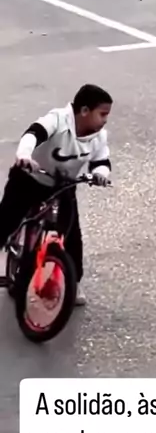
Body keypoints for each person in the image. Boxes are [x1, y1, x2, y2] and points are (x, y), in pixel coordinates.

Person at [0, 83, 113, 306]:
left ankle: (72, 282)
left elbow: (101, 161)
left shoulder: (99, 136)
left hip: (63, 185)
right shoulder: (58, 120)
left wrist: (100, 174)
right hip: (30, 178)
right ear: (84, 111)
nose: (105, 120)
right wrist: (24, 155)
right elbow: (33, 134)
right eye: (102, 114)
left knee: (72, 236)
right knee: (5, 223)